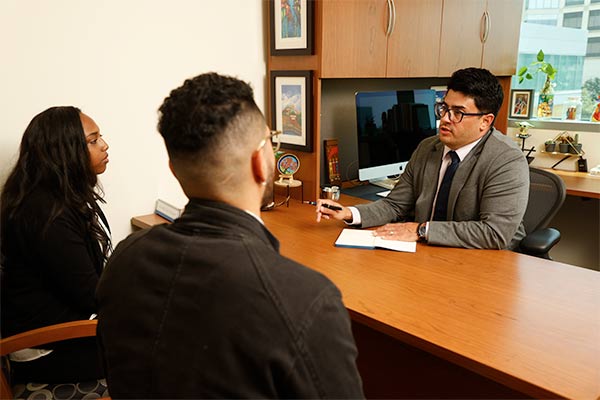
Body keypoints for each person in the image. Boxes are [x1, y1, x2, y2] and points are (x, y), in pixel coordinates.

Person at [96, 72, 364, 398]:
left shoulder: (125, 258)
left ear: (174, 171)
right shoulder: (306, 299)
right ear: (260, 162)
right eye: (271, 143)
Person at [317, 68, 529, 250]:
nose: (445, 118)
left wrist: (421, 230)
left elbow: (494, 233)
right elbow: (395, 205)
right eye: (444, 108)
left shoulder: (507, 160)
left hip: (484, 261)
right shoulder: (428, 147)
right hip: (428, 252)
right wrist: (349, 213)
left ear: (485, 121)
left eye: (458, 113)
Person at [0, 106, 110, 383]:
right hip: (47, 350)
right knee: (165, 349)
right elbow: (92, 297)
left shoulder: (50, 199)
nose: (105, 145)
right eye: (93, 140)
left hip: (58, 333)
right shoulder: (47, 215)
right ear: (65, 150)